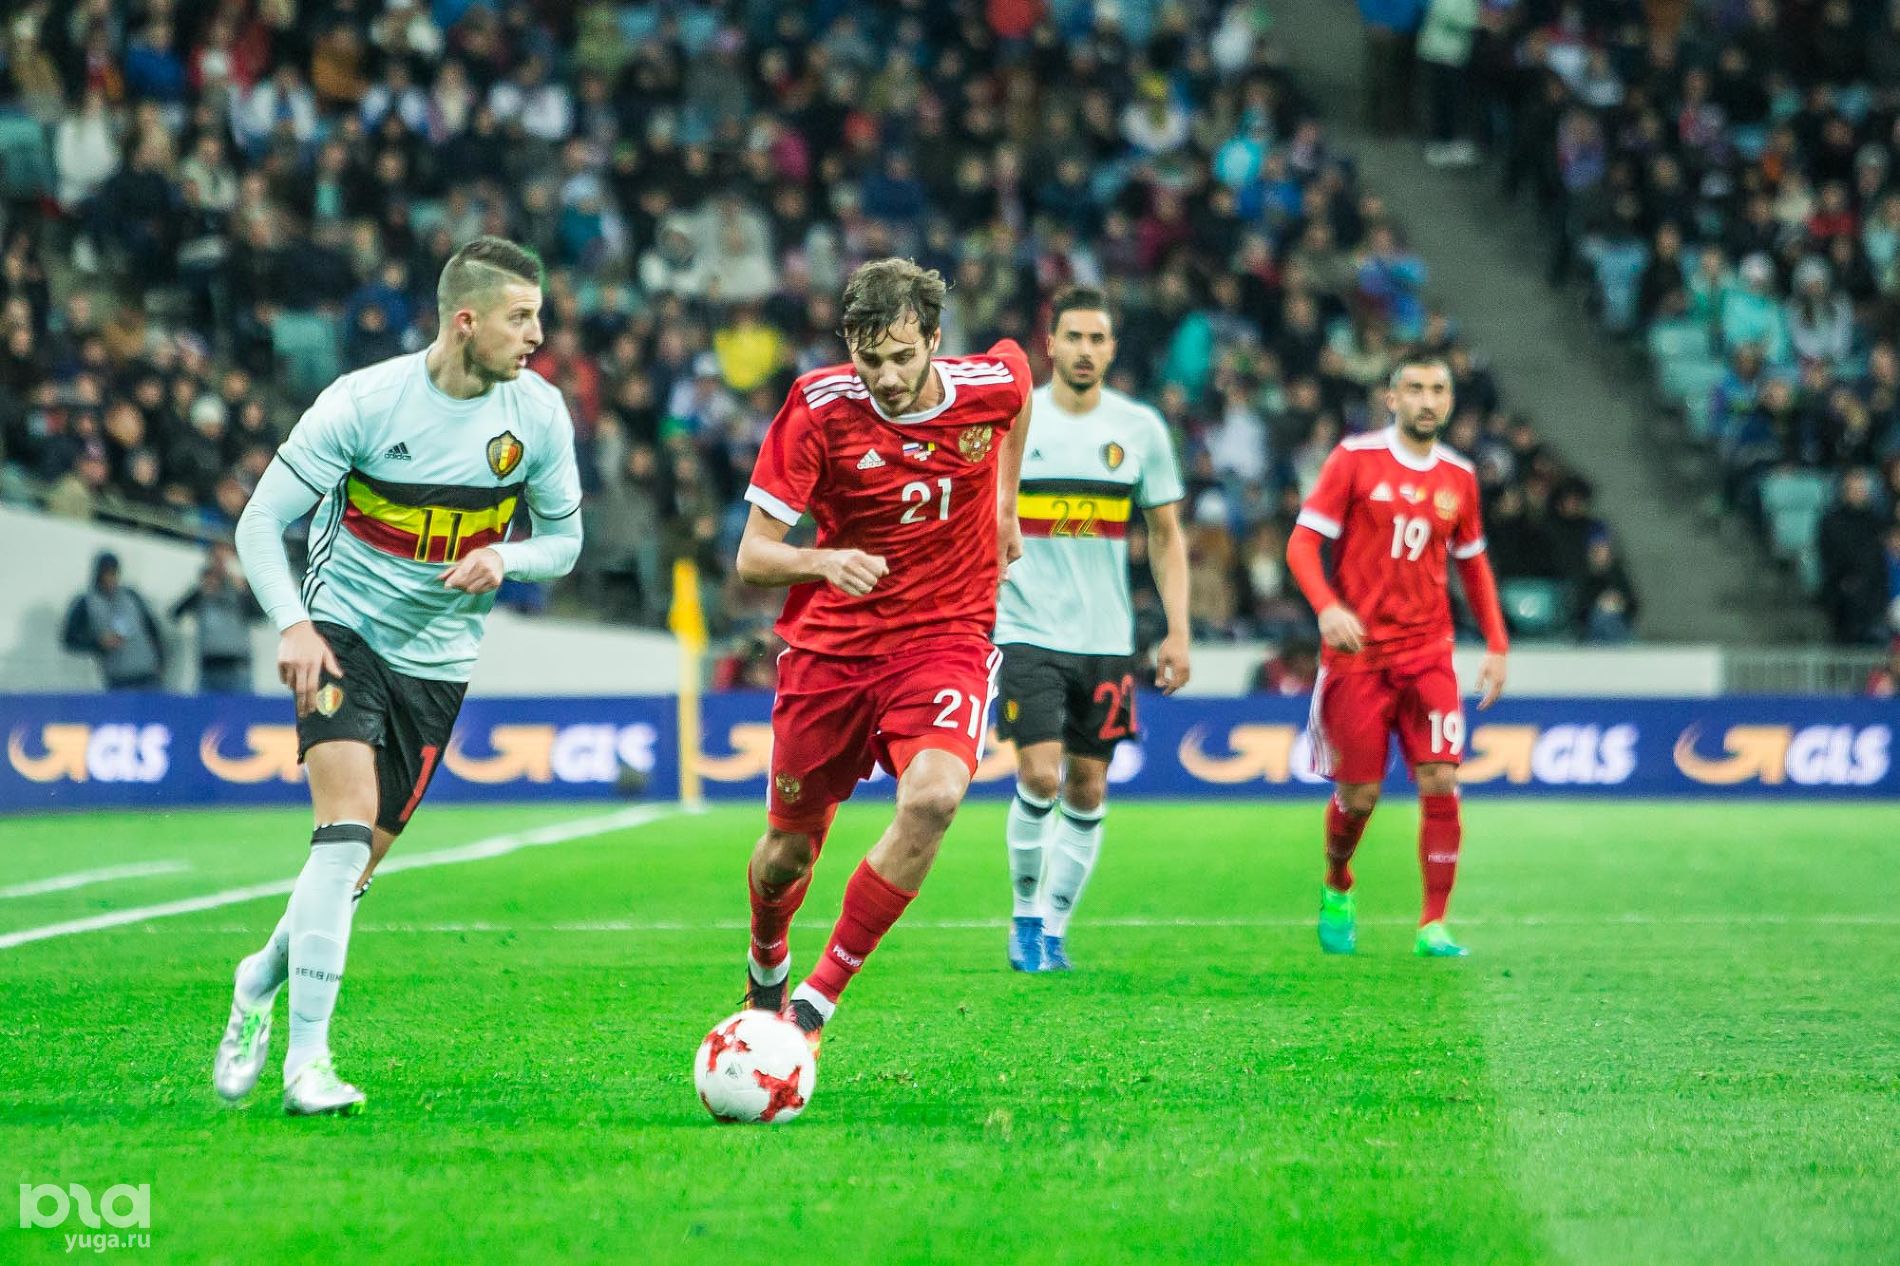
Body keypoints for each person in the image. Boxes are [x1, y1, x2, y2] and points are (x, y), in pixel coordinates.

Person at [213, 237, 583, 1115]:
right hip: (342, 632)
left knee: (353, 870)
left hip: (439, 660)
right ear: (467, 321)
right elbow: (260, 521)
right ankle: (307, 1065)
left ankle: (257, 978)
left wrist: (507, 558)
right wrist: (295, 624)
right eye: (521, 318)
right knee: (341, 834)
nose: (538, 335)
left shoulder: (537, 415)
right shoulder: (366, 403)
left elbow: (567, 542)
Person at [735, 258, 1031, 1055]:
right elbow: (754, 556)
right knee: (787, 855)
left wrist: (1006, 504)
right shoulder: (817, 409)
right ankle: (766, 958)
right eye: (871, 360)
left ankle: (812, 1006)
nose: (888, 377)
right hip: (832, 652)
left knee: (934, 798)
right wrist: (823, 561)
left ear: (933, 339)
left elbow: (1020, 381)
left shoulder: (986, 388)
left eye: (903, 356)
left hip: (946, 639)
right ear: (849, 347)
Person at [992, 286, 1190, 973]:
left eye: (1097, 339)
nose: (1085, 350)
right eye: (1073, 337)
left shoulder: (1140, 429)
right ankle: (1024, 917)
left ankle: (1054, 928)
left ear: (1112, 348)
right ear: (1050, 344)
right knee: (1040, 774)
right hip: (1026, 627)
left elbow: (1166, 535)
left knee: (1087, 787)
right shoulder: (1017, 420)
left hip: (1107, 638)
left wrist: (1178, 630)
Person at [1285, 353, 1509, 958]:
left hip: (1428, 653)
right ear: (1391, 398)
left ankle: (1433, 923)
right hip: (1357, 658)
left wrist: (1496, 643)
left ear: (1450, 401)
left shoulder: (1459, 476)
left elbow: (1474, 565)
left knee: (1442, 778)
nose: (1427, 400)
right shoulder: (1354, 460)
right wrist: (1328, 608)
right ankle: (1338, 880)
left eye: (1438, 390)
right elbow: (1302, 545)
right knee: (1359, 796)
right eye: (1414, 388)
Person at [61, 552, 167, 690]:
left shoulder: (131, 596)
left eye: (113, 573)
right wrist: (98, 643)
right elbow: (69, 639)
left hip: (148, 676)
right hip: (117, 680)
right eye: (106, 573)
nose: (110, 578)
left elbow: (152, 629)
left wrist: (161, 661)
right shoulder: (85, 603)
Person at [170, 542, 264, 692]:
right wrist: (200, 591)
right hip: (208, 666)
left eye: (225, 560)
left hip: (237, 667)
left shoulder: (241, 588)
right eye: (216, 559)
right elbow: (176, 613)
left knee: (240, 706)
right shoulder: (202, 590)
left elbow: (260, 617)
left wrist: (243, 591)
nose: (220, 565)